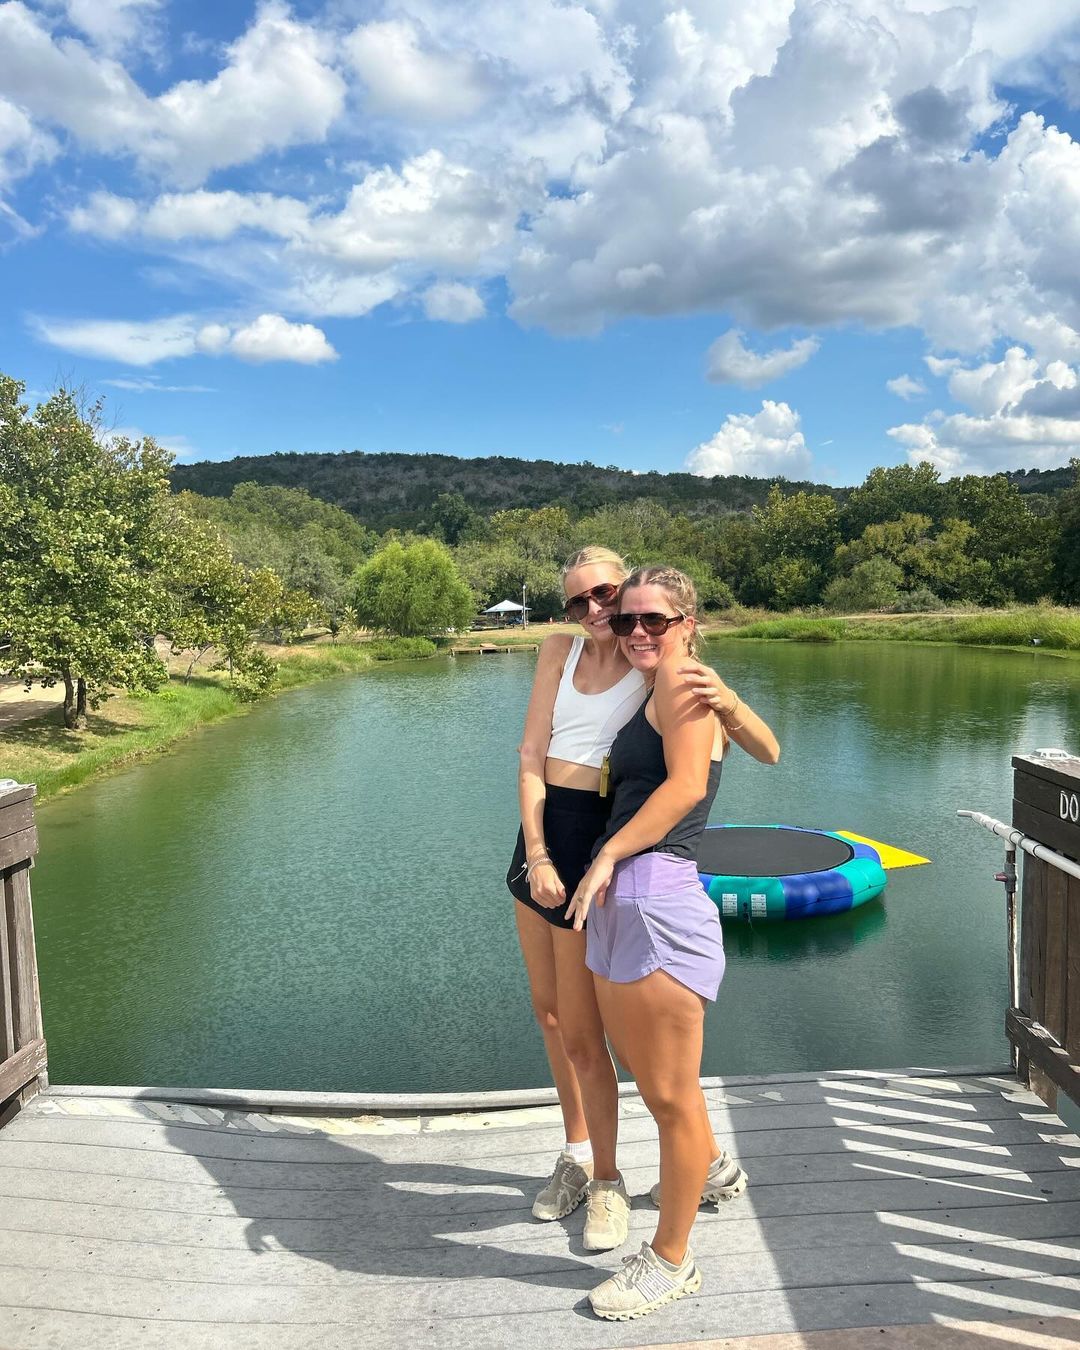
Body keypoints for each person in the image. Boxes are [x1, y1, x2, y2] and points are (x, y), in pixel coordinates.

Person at [507, 548, 777, 1253]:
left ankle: (610, 1180)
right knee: (551, 1014)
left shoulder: (659, 664)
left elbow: (741, 757)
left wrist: (731, 700)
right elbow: (531, 754)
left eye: (609, 596)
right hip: (546, 840)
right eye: (580, 601)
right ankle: (593, 1155)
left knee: (593, 1037)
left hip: (608, 850)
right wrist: (536, 851)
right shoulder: (567, 651)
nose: (600, 613)